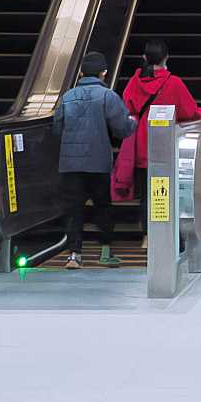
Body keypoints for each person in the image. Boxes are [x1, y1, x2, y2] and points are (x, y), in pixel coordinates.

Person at [56, 51, 134, 269]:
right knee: (103, 206)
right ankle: (106, 252)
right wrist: (133, 123)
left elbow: (57, 127)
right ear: (104, 73)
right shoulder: (107, 96)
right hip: (98, 162)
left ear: (81, 72)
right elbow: (122, 128)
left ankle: (74, 255)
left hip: (70, 164)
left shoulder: (67, 97)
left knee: (74, 208)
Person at [122, 38, 201, 205]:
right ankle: (162, 229)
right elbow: (189, 111)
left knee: (145, 193)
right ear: (166, 58)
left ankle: (146, 229)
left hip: (142, 144)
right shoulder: (173, 83)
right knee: (163, 192)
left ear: (144, 58)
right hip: (164, 145)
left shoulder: (134, 82)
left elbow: (127, 106)